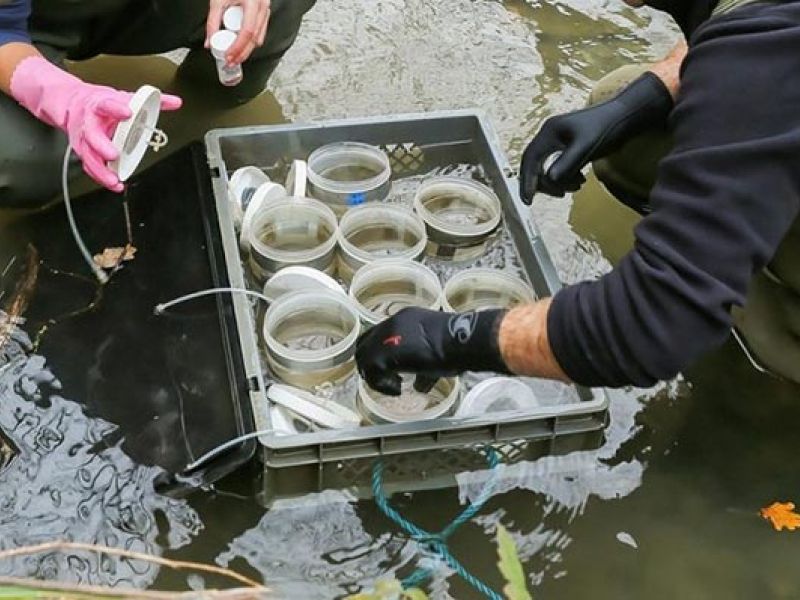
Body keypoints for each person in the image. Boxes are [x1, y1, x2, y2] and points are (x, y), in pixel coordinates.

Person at [356, 0, 800, 395]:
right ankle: (721, 256)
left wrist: (454, 336)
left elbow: (645, 326)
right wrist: (637, 102)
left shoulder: (759, 61)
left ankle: (779, 341)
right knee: (622, 99)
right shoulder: (763, 40)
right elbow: (750, 39)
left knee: (683, 317)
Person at [0, 0, 316, 207]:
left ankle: (194, 123)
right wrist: (60, 96)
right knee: (31, 163)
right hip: (22, 26)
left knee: (274, 6)